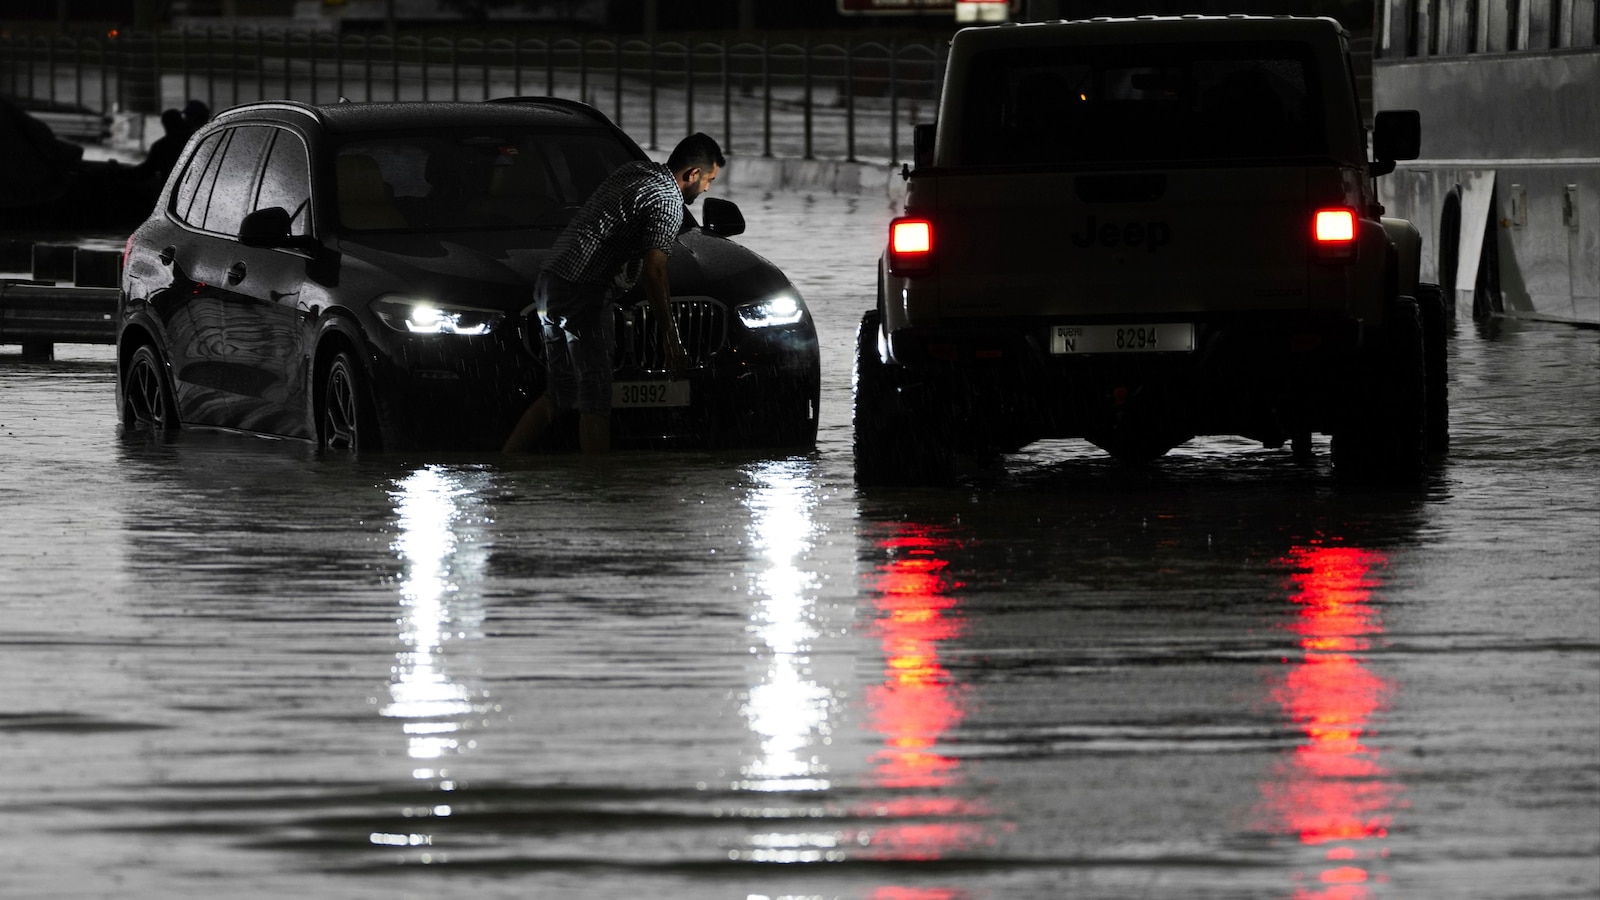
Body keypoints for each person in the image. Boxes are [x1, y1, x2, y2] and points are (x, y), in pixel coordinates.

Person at [503, 132, 724, 455]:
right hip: (585, 289)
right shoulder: (667, 201)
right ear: (692, 174)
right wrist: (670, 337)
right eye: (709, 180)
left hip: (550, 281)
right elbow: (655, 270)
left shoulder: (633, 171)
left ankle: (507, 465)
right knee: (596, 397)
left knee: (561, 390)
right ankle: (598, 488)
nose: (706, 189)